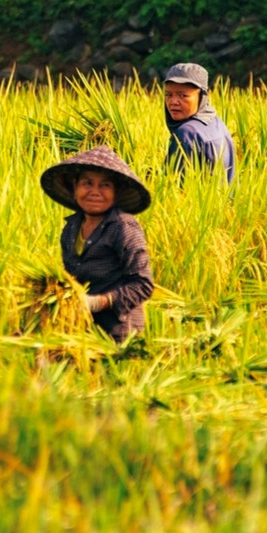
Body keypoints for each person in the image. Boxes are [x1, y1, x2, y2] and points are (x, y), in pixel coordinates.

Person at [39, 145, 154, 343]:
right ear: (74, 188)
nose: (95, 191)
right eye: (87, 183)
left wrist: (100, 302)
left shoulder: (123, 227)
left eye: (105, 185)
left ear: (116, 192)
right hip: (83, 330)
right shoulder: (71, 227)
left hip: (120, 334)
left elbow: (142, 285)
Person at [163, 62, 235, 184]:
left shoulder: (187, 134)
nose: (173, 101)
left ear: (202, 97)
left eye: (183, 95)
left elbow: (173, 187)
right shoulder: (216, 122)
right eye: (168, 95)